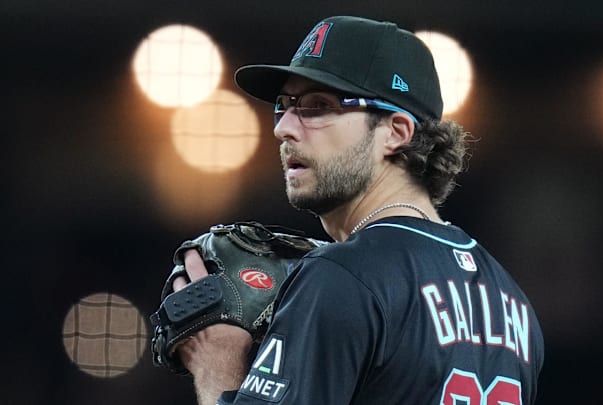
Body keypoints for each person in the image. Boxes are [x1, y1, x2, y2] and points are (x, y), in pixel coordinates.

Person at [172, 15, 544, 405]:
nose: (284, 128)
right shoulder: (513, 303)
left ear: (397, 132)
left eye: (317, 106)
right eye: (285, 105)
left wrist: (218, 360)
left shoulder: (343, 276)